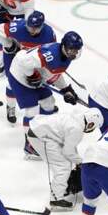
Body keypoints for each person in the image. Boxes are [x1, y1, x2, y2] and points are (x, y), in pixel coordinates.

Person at [8, 31, 83, 159]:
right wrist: (32, 75)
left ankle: (42, 132)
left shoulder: (65, 56)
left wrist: (66, 89)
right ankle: (30, 145)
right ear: (64, 46)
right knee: (32, 110)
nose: (73, 53)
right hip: (20, 75)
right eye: (71, 50)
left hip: (36, 76)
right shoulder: (50, 55)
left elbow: (55, 73)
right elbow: (22, 60)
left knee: (49, 104)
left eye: (76, 50)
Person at [27, 108, 103, 211]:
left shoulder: (76, 118)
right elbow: (68, 151)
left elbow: (70, 145)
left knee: (65, 162)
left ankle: (62, 187)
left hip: (39, 131)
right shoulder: (77, 129)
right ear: (90, 124)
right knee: (62, 166)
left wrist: (77, 160)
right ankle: (56, 199)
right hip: (41, 136)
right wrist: (81, 162)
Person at [0, 11, 56, 124]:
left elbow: (51, 52)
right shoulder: (18, 27)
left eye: (35, 28)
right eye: (29, 27)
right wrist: (9, 45)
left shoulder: (49, 34)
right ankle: (10, 107)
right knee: (11, 83)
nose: (31, 30)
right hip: (13, 55)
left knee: (39, 82)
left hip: (32, 60)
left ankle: (45, 110)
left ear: (41, 26)